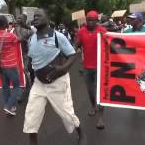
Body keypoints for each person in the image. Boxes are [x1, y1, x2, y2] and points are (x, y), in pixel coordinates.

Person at [23, 9, 87, 145]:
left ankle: (81, 133)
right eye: (34, 17)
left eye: (39, 16)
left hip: (58, 82)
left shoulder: (58, 36)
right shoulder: (32, 38)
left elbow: (72, 55)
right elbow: (31, 56)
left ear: (47, 18)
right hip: (38, 84)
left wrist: (63, 68)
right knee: (31, 114)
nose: (36, 18)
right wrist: (27, 66)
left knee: (67, 114)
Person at [76, 10, 107, 129]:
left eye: (91, 20)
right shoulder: (81, 31)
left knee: (100, 92)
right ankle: (93, 106)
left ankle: (100, 118)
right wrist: (75, 45)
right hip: (87, 67)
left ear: (96, 21)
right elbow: (77, 45)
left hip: (100, 66)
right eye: (87, 20)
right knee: (90, 91)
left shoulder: (102, 31)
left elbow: (110, 44)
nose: (89, 22)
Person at [0, 15, 21, 116]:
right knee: (17, 86)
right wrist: (15, 28)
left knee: (5, 87)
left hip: (1, 66)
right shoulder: (10, 35)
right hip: (11, 66)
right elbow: (18, 40)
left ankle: (10, 107)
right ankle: (8, 106)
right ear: (5, 24)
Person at [14, 14, 34, 100]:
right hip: (18, 55)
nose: (18, 19)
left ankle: (29, 89)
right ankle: (24, 89)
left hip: (26, 55)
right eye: (17, 18)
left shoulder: (28, 30)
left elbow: (20, 38)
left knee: (25, 71)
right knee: (19, 73)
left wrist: (17, 28)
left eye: (20, 18)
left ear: (24, 20)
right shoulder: (14, 30)